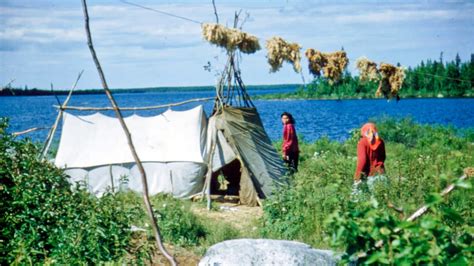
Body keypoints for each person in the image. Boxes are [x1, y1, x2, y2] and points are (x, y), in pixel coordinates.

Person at [353, 122, 386, 194]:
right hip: (381, 174)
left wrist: (357, 177)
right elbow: (383, 157)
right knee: (381, 200)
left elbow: (362, 160)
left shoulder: (363, 142)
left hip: (369, 176)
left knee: (361, 200)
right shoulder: (381, 142)